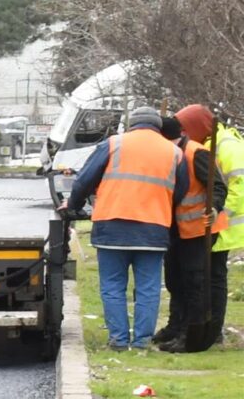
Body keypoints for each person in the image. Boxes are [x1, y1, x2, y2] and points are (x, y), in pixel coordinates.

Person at [60, 105, 183, 351]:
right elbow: (180, 192)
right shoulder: (174, 152)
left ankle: (118, 340)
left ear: (131, 124)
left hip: (112, 226)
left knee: (113, 285)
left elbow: (85, 178)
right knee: (148, 289)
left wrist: (73, 205)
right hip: (153, 228)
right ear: (158, 126)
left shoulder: (114, 144)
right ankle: (141, 342)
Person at [159, 105, 231, 352]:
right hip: (178, 229)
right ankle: (177, 328)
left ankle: (192, 337)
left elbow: (218, 187)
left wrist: (213, 207)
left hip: (200, 229)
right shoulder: (173, 152)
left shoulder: (196, 153)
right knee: (175, 280)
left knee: (195, 283)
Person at [198, 104, 244, 351]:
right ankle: (212, 328)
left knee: (215, 277)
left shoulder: (226, 146)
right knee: (211, 276)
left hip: (223, 224)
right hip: (218, 222)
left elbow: (239, 185)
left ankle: (215, 330)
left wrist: (221, 212)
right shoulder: (213, 143)